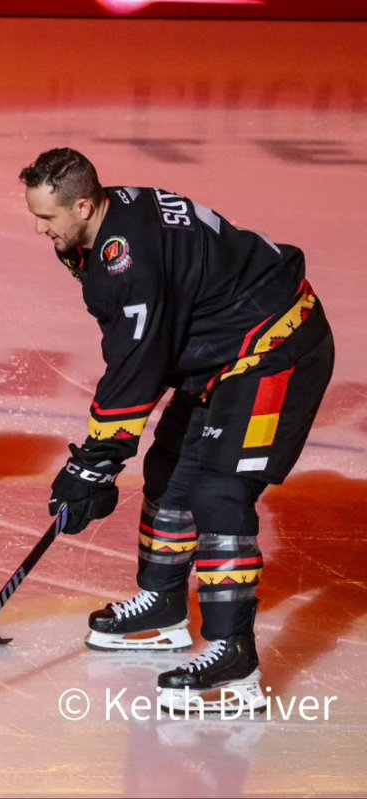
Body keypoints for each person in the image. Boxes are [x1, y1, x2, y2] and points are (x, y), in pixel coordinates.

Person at [19, 148, 334, 712]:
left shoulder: (128, 259)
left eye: (48, 219)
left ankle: (233, 657)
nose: (40, 229)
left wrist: (97, 458)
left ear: (85, 206)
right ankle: (164, 604)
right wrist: (104, 454)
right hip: (222, 351)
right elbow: (148, 348)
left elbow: (140, 360)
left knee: (219, 489)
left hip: (274, 348)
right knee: (169, 470)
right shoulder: (109, 225)